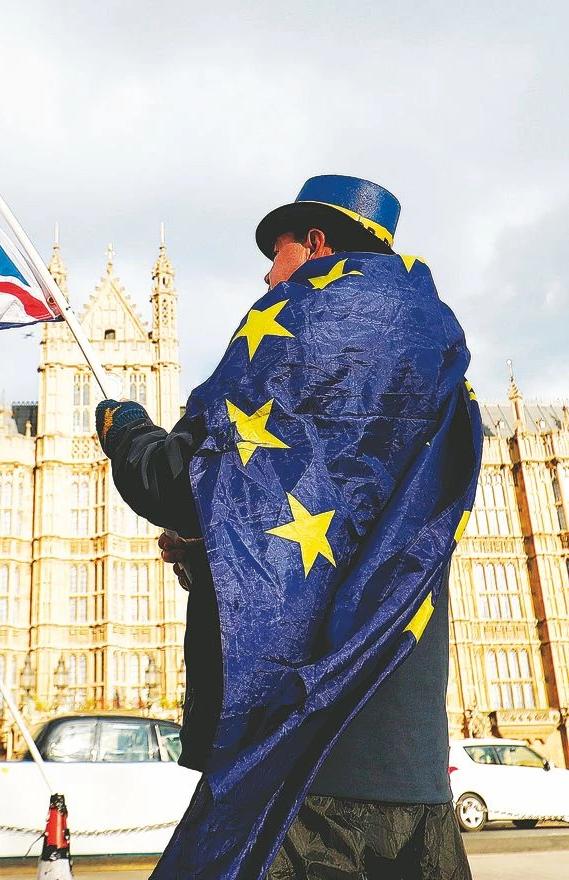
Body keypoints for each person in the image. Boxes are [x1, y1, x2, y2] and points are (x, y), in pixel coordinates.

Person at [95, 175, 475, 878]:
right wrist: (220, 552)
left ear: (317, 245)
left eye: (277, 253)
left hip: (303, 761)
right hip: (408, 765)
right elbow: (352, 530)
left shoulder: (306, 333)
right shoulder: (433, 353)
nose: (269, 275)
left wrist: (126, 431)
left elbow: (182, 482)